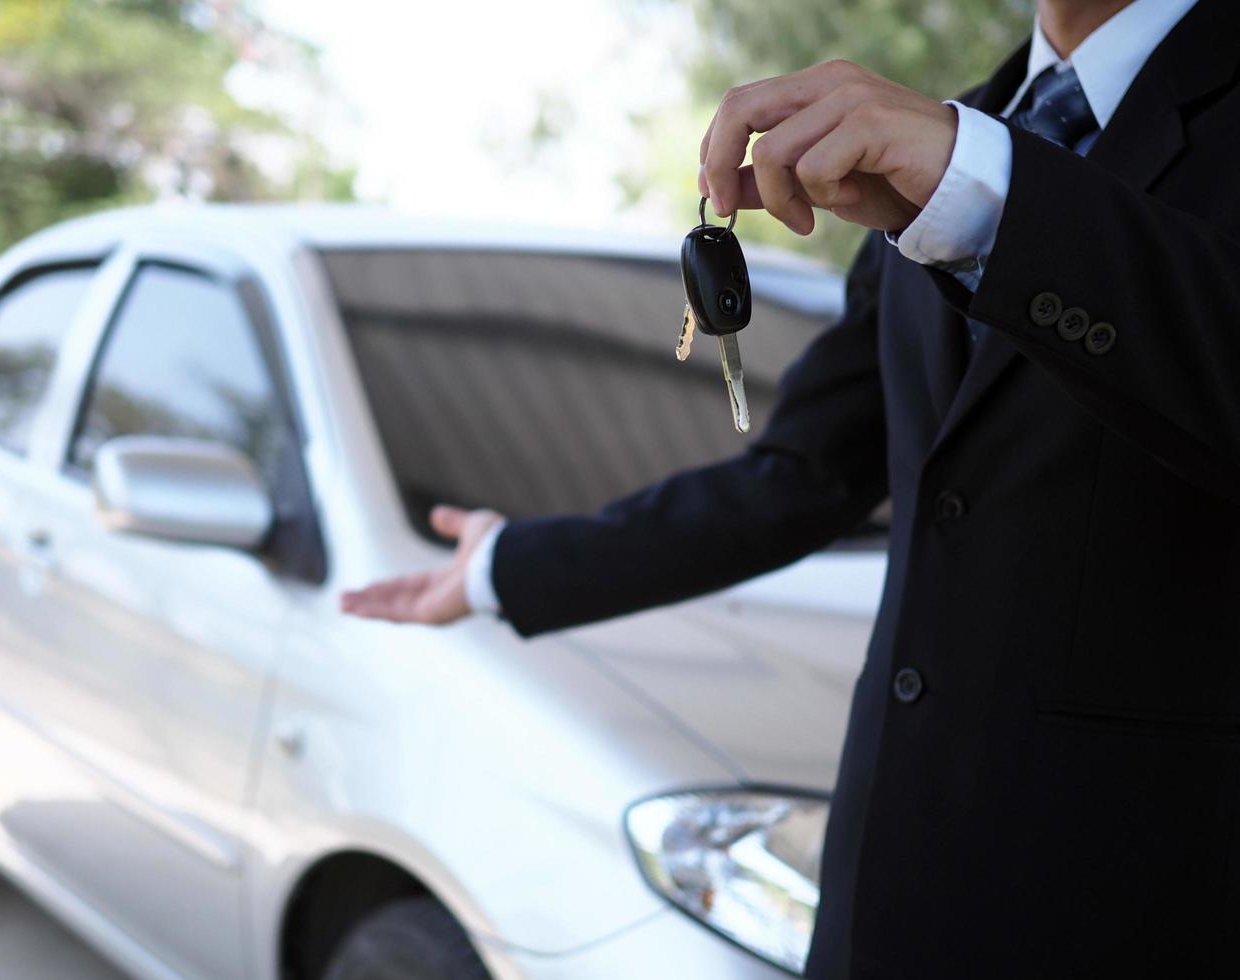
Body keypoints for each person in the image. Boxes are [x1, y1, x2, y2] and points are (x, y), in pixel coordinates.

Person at [343, 0, 1240, 975]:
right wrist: (509, 566)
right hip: (884, 890)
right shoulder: (961, 129)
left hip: (1158, 904)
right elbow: (802, 475)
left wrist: (989, 192)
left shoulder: (962, 160)